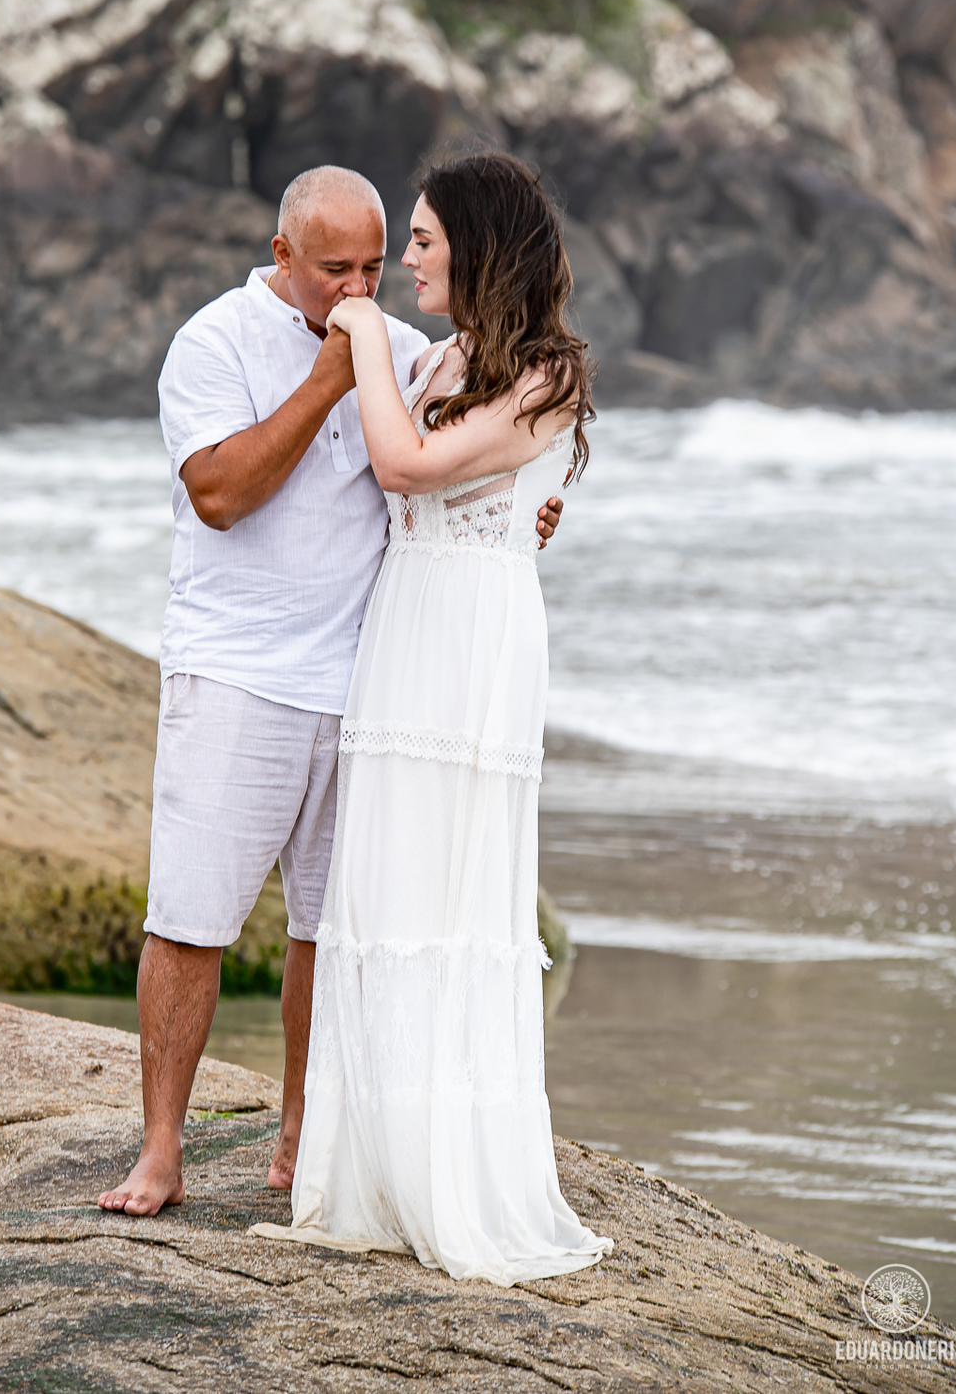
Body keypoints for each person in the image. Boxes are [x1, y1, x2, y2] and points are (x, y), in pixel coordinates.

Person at [98, 164, 563, 1218]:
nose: (361, 288)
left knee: (329, 924)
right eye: (335, 269)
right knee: (189, 917)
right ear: (281, 257)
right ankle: (162, 1148)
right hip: (238, 670)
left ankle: (300, 1135)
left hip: (366, 679)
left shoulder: (403, 350)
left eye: (373, 266)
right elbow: (219, 494)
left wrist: (530, 514)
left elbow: (478, 462)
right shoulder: (213, 344)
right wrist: (327, 375)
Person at [252, 152, 614, 1284]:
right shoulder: (451, 356)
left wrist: (356, 334)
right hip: (405, 624)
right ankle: (380, 1166)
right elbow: (403, 478)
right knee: (387, 886)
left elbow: (406, 467)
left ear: (476, 243)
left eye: (419, 239)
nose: (400, 260)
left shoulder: (547, 372)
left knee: (451, 896)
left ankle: (453, 1176)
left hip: (471, 641)